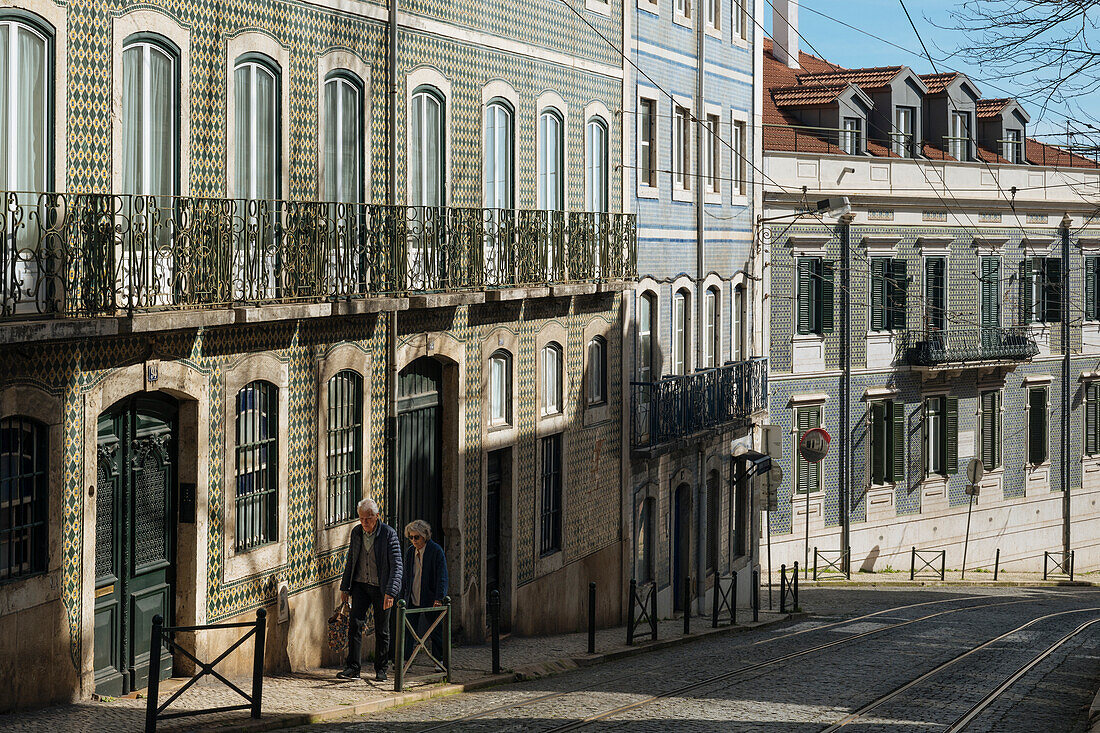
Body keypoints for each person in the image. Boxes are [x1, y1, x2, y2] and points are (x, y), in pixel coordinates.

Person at [337, 497, 403, 682]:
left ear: (377, 516)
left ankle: (381, 669)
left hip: (381, 588)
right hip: (360, 586)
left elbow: (397, 566)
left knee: (382, 630)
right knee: (355, 625)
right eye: (361, 519)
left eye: (368, 518)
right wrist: (345, 587)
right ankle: (353, 668)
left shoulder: (388, 534)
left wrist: (391, 591)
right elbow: (351, 560)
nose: (364, 522)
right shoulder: (356, 533)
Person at [401, 520, 448, 666]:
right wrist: (403, 596)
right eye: (411, 537)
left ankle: (439, 661)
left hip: (430, 597)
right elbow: (406, 576)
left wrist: (439, 597)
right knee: (408, 630)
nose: (413, 541)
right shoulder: (410, 552)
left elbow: (442, 576)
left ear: (425, 536)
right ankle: (406, 660)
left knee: (435, 631)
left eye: (417, 537)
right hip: (413, 596)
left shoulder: (435, 551)